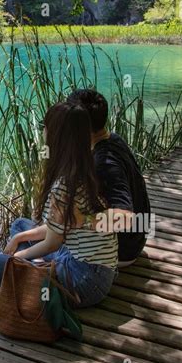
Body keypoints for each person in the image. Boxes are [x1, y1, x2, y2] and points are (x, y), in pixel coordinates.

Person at [0, 102, 118, 308]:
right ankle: (30, 273)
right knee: (19, 226)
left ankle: (19, 288)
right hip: (100, 271)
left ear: (56, 136)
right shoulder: (87, 168)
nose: (43, 131)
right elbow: (59, 229)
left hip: (84, 281)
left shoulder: (64, 185)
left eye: (46, 126)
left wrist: (15, 260)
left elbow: (52, 243)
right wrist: (19, 238)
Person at [66, 89, 151, 266]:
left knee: (25, 231)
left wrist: (84, 220)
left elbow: (126, 217)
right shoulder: (113, 139)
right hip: (136, 240)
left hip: (123, 251)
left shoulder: (104, 162)